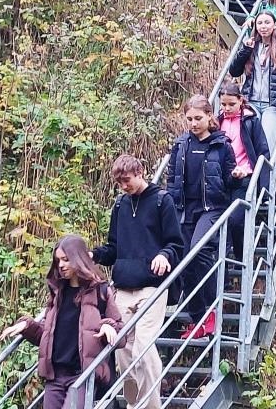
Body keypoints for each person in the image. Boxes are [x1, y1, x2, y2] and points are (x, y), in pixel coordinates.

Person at [92, 155, 183, 409]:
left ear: (140, 172)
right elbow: (113, 248)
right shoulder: (120, 205)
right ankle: (135, 404)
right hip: (122, 288)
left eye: (127, 180)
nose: (123, 186)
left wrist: (165, 256)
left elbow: (176, 244)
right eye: (119, 182)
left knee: (143, 348)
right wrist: (94, 255)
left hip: (152, 288)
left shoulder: (161, 201)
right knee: (122, 353)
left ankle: (151, 406)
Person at [1, 234, 125, 409]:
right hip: (55, 376)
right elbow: (48, 335)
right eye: (58, 260)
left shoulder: (100, 291)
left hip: (82, 375)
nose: (61, 265)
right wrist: (26, 326)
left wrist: (108, 326)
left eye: (66, 260)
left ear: (78, 259)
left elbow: (120, 332)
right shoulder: (57, 292)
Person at [167, 95, 235, 339]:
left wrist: (237, 176)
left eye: (198, 118)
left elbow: (228, 179)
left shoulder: (221, 145)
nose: (193, 123)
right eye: (189, 119)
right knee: (184, 262)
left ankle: (211, 310)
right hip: (186, 209)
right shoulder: (181, 145)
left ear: (209, 116)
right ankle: (198, 320)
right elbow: (172, 179)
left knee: (198, 251)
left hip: (211, 208)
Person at [228, 11, 276, 153]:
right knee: (246, 137)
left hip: (273, 104)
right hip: (251, 102)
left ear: (274, 25)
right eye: (260, 23)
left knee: (267, 139)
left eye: (267, 23)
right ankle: (250, 172)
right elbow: (234, 71)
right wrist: (245, 50)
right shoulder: (251, 46)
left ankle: (267, 174)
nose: (263, 26)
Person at [218, 81, 270, 265]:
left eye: (231, 104)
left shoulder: (250, 121)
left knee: (236, 219)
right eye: (223, 104)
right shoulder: (217, 122)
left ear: (241, 100)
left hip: (245, 178)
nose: (227, 108)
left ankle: (241, 257)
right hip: (223, 179)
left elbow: (262, 152)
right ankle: (226, 259)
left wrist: (262, 183)